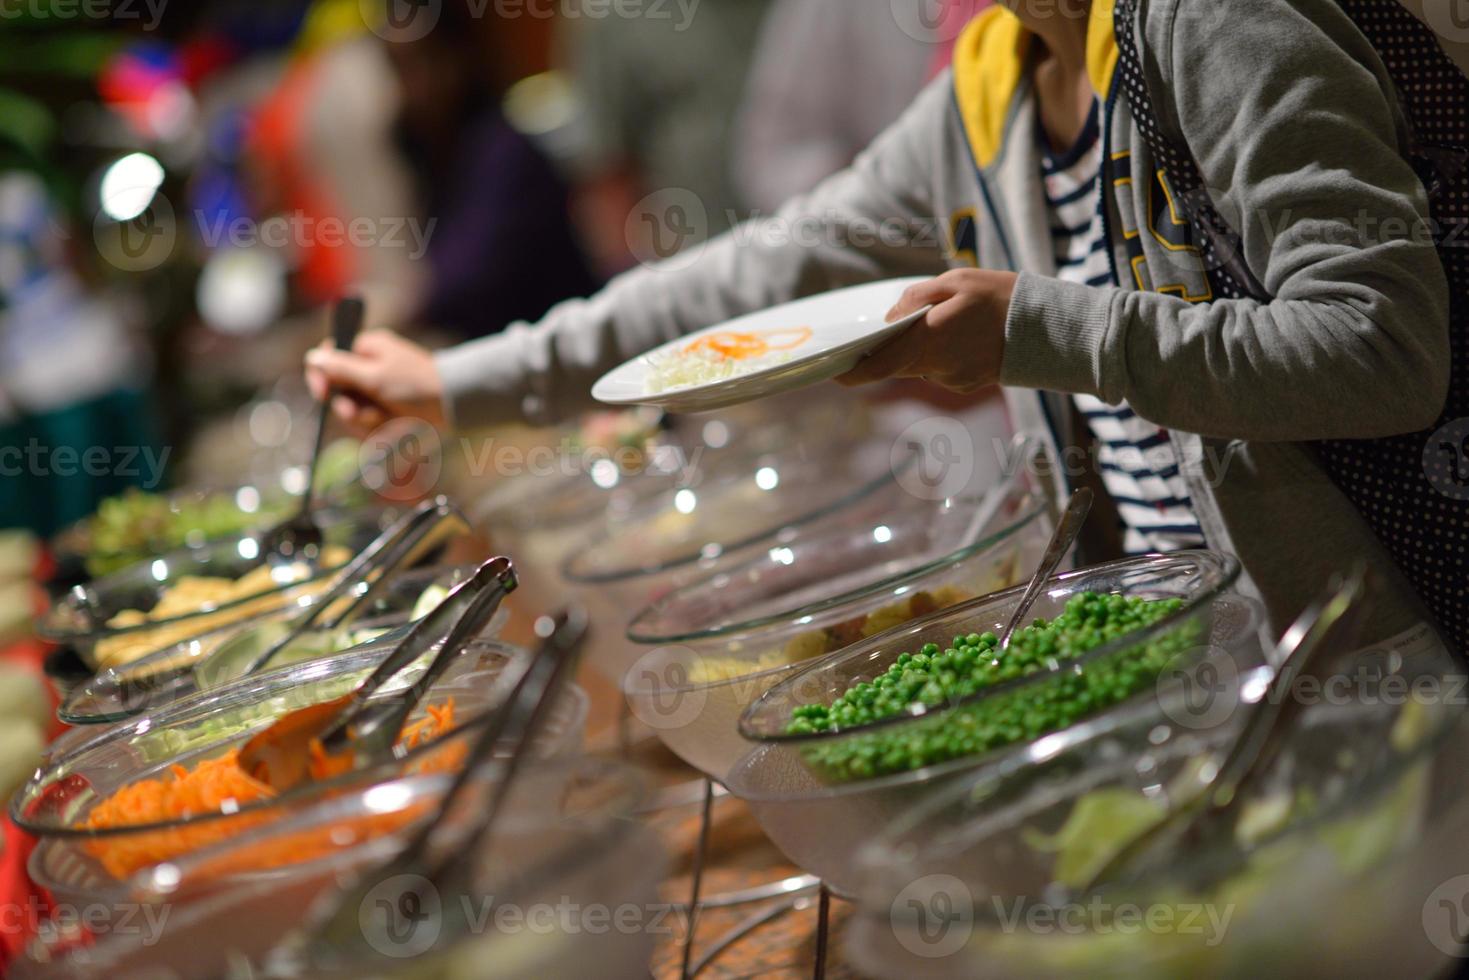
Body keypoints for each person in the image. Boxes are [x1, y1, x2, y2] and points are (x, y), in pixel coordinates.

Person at [306, 0, 1456, 651]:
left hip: (1374, 663)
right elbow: (755, 274)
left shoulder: (1218, 25)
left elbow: (1382, 350)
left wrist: (1032, 329)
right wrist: (461, 385)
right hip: (1199, 666)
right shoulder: (989, 86)